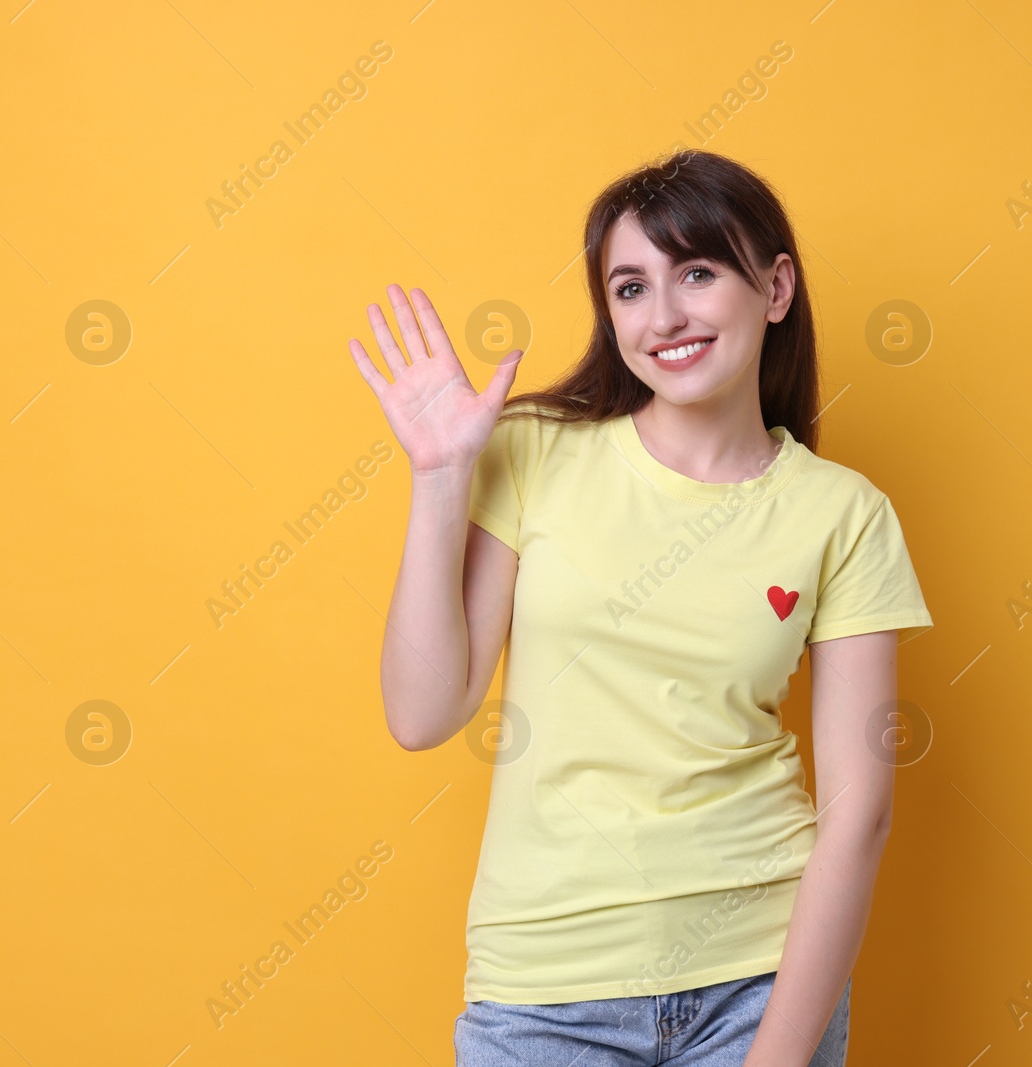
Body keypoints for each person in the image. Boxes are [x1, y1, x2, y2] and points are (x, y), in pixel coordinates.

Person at [346, 149, 933, 1066]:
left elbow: (859, 815)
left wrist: (777, 1056)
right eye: (629, 287)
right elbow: (423, 713)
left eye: (696, 272)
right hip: (544, 995)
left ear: (776, 288)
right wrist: (440, 479)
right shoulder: (536, 452)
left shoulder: (843, 513)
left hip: (759, 982)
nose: (663, 317)